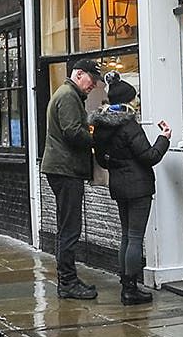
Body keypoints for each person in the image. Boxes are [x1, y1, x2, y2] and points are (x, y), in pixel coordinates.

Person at [91, 78, 171, 305]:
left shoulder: (102, 126)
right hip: (138, 187)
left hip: (118, 185)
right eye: (134, 98)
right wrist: (164, 138)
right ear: (127, 101)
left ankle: (126, 285)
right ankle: (130, 290)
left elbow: (102, 161)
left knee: (126, 236)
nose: (136, 102)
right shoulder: (129, 126)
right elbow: (149, 156)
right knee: (135, 238)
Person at [40, 58, 100, 299]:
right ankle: (67, 282)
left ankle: (68, 279)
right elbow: (72, 132)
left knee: (67, 226)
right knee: (70, 228)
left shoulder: (68, 94)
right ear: (79, 74)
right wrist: (97, 140)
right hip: (65, 169)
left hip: (63, 168)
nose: (94, 84)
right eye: (92, 79)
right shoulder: (68, 96)